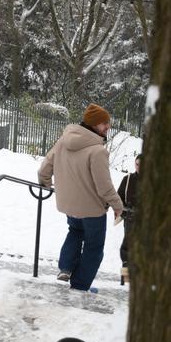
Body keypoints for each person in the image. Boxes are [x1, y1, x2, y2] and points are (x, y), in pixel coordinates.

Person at [38, 103, 123, 293]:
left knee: (75, 231)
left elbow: (44, 169)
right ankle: (80, 286)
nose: (108, 127)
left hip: (69, 205)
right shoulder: (98, 151)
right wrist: (118, 206)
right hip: (92, 210)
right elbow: (104, 187)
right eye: (104, 123)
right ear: (93, 124)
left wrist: (45, 183)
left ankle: (66, 268)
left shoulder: (63, 141)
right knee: (94, 247)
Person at [116, 154, 141, 281]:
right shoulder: (128, 179)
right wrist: (124, 213)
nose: (139, 167)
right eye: (137, 164)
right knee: (127, 248)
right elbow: (118, 198)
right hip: (130, 219)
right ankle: (126, 277)